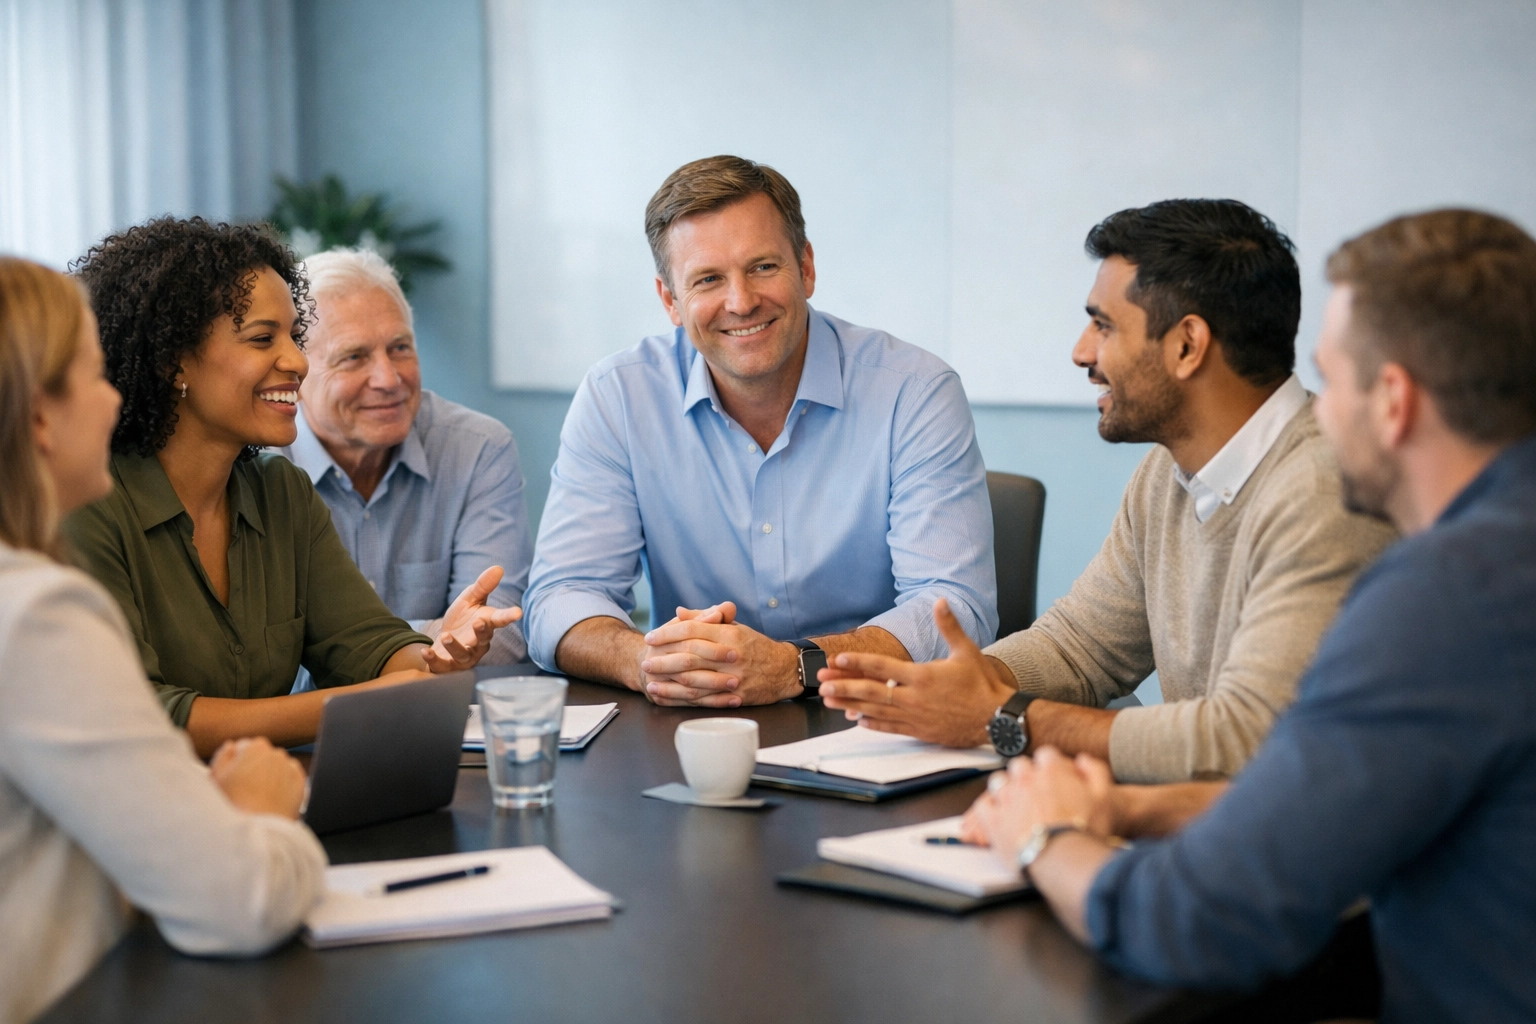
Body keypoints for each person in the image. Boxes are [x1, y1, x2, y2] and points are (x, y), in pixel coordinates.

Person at [962, 209, 1536, 1023]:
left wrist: (1045, 838)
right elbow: (1320, 801)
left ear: (1394, 403)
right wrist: (1129, 807)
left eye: (1332, 381)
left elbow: (1203, 919)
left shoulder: (1446, 599)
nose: (1317, 414)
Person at [820, 199, 1396, 783]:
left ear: (1187, 345)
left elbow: (1245, 737)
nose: (1082, 352)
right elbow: (1080, 647)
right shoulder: (1166, 473)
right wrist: (957, 683)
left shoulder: (1326, 492)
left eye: (1104, 325)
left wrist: (1002, 717)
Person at [522, 155, 997, 707]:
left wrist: (795, 666)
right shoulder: (618, 397)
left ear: (806, 268)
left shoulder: (914, 391)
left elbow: (954, 608)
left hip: (873, 715)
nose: (741, 302)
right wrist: (648, 663)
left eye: (763, 267)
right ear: (670, 300)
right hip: (695, 721)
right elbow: (560, 597)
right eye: (708, 279)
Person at [0, 256, 326, 1024]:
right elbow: (239, 902)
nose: (116, 398)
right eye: (93, 376)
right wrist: (260, 813)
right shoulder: (36, 615)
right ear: (40, 419)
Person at [62, 218, 519, 757]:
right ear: (172, 361)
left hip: (265, 792)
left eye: (295, 337)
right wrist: (355, 704)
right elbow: (139, 714)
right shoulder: (87, 505)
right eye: (263, 339)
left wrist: (435, 654)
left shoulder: (281, 493)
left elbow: (368, 645)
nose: (298, 362)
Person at [278, 248, 532, 672]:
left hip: (443, 710)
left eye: (400, 348)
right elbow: (262, 660)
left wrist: (335, 648)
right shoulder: (254, 465)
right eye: (354, 357)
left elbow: (499, 633)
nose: (389, 378)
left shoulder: (478, 449)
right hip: (308, 717)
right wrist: (425, 641)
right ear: (295, 374)